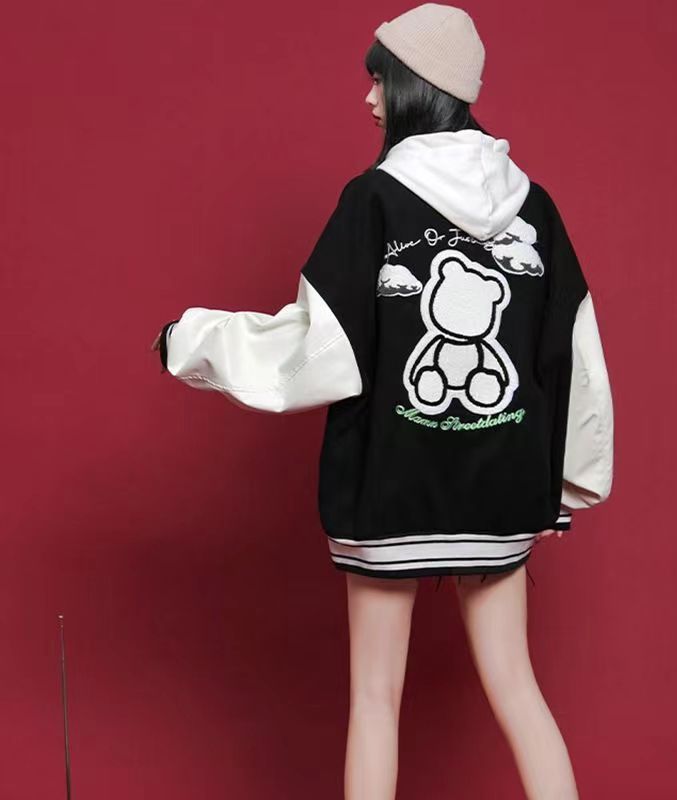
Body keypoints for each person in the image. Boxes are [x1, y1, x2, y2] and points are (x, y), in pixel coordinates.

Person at [150, 4, 613, 798]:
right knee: (517, 688)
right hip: (500, 490)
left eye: (380, 79)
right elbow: (572, 352)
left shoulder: (373, 201)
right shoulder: (535, 207)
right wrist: (562, 481)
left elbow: (314, 346)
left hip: (391, 487)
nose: (368, 97)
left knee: (374, 699)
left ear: (418, 87)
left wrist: (191, 340)